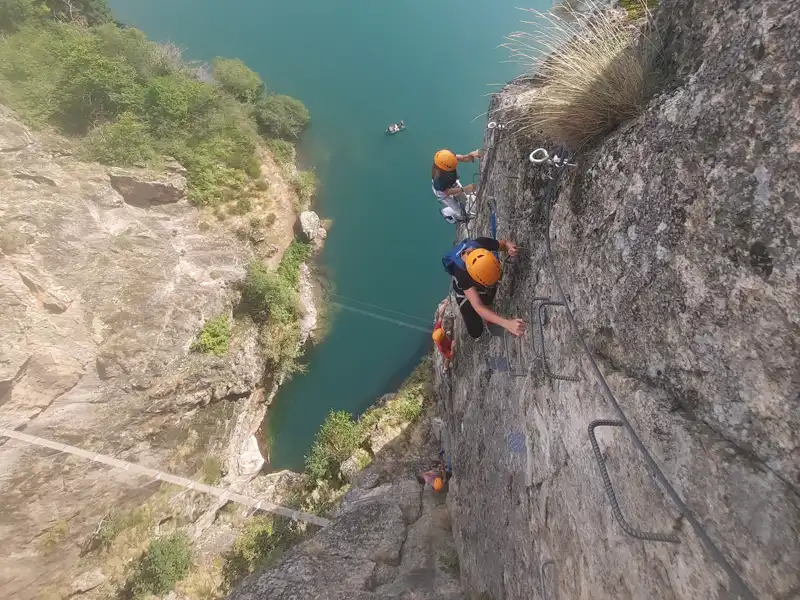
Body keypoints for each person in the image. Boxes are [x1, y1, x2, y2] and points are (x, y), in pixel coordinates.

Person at [442, 237, 526, 339]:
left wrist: (510, 248)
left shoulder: (481, 244)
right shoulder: (462, 273)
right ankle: (486, 317)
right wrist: (507, 324)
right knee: (476, 331)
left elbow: (504, 244)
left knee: (489, 296)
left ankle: (489, 313)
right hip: (464, 292)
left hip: (479, 282)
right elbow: (478, 306)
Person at [431, 149, 482, 222]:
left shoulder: (447, 158)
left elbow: (463, 158)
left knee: (464, 199)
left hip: (451, 183)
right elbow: (447, 192)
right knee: (460, 211)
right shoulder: (439, 180)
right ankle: (448, 214)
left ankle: (463, 206)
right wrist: (464, 189)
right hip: (443, 193)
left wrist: (471, 155)